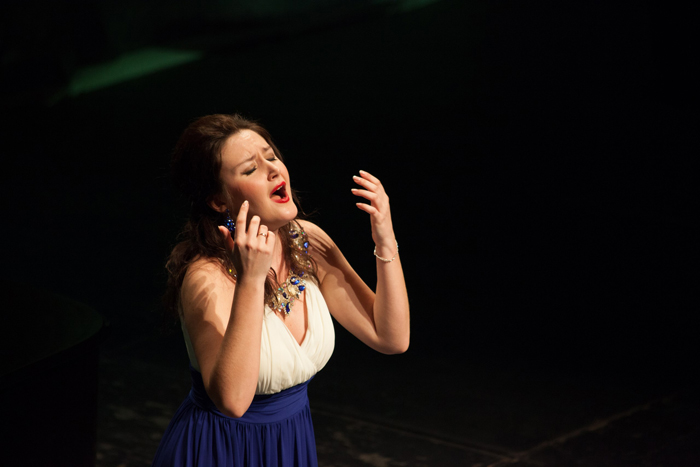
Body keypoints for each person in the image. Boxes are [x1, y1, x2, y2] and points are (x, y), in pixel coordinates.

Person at [152, 114, 410, 466]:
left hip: (290, 442)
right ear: (218, 201)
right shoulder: (206, 277)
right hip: (221, 448)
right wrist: (250, 280)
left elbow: (391, 338)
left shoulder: (306, 241)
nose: (273, 170)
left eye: (271, 156)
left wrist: (386, 240)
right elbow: (233, 402)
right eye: (250, 169)